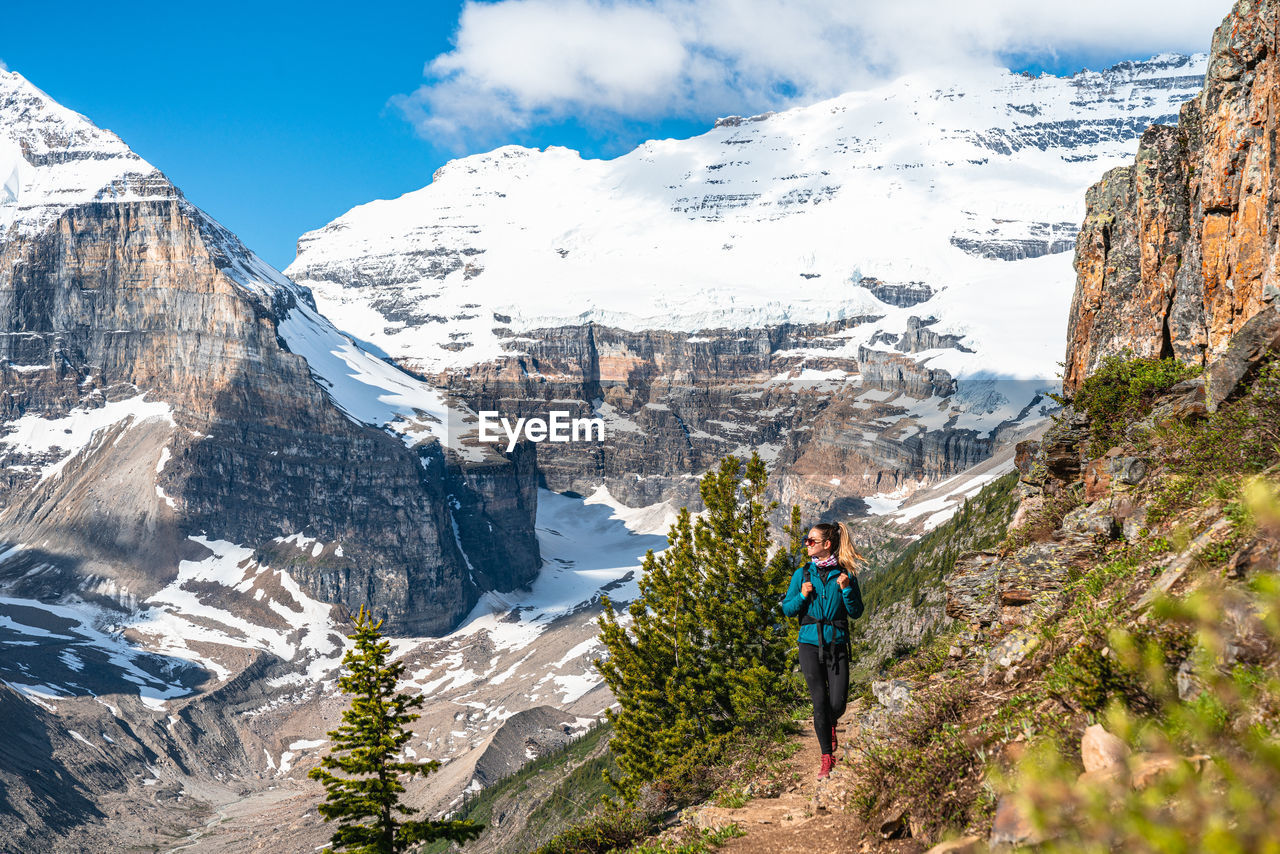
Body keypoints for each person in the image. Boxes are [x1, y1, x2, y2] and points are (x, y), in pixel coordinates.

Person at [781, 521, 865, 779]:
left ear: (826, 545)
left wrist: (847, 590)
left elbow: (856, 612)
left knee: (837, 704)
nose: (806, 544)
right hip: (808, 643)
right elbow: (787, 609)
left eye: (811, 541)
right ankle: (826, 758)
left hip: (837, 642)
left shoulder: (846, 574)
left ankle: (831, 723)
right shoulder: (802, 575)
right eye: (807, 540)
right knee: (819, 702)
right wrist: (803, 596)